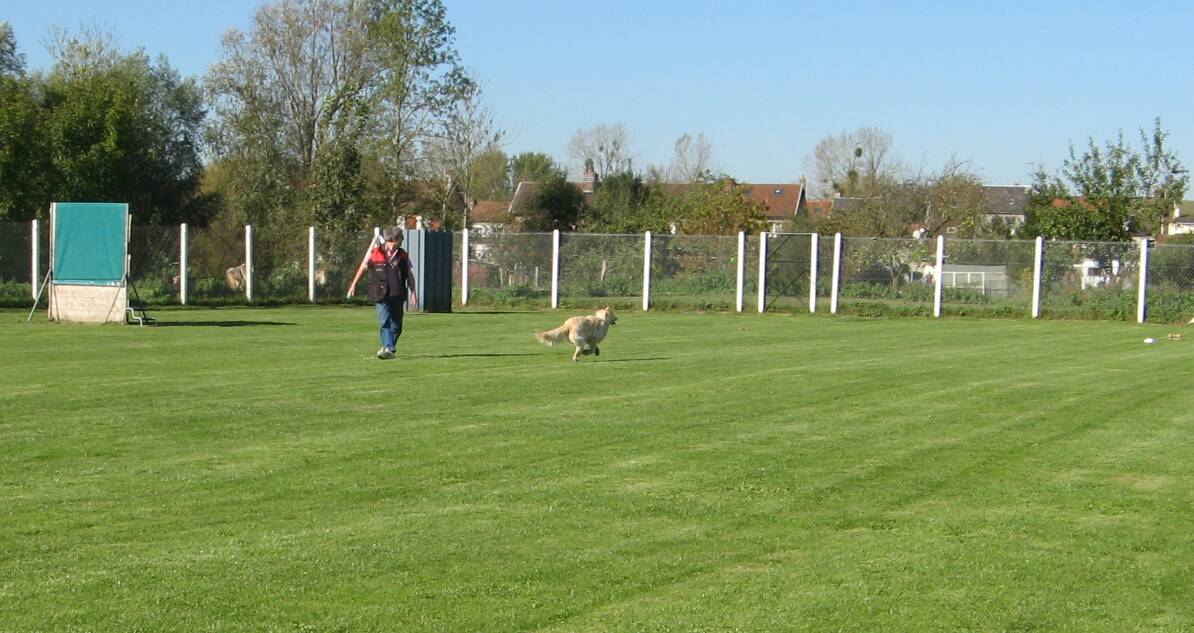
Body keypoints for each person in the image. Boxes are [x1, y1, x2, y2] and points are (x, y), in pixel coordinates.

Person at [347, 227, 418, 359]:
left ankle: (388, 348)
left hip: (398, 294)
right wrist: (354, 285)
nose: (402, 240)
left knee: (397, 326)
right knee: (384, 321)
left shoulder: (403, 255)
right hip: (381, 294)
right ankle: (388, 347)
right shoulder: (375, 253)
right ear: (393, 239)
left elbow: (409, 275)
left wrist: (413, 292)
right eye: (401, 238)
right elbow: (363, 268)